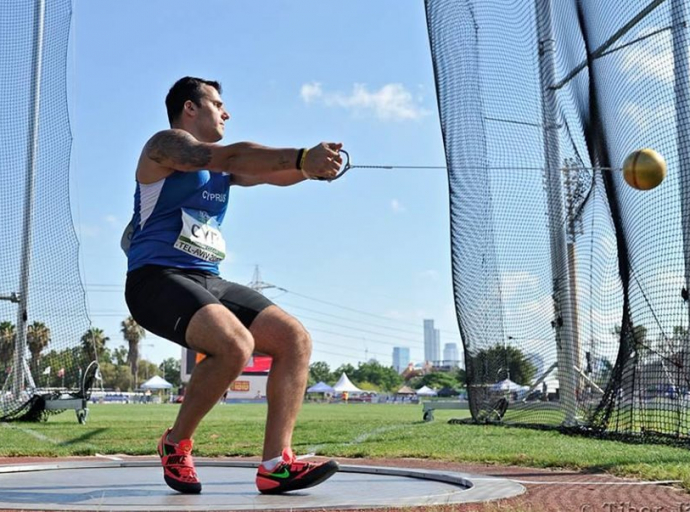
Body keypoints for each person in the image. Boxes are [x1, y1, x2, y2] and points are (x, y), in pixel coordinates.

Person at [123, 76, 342, 495]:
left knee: (295, 338)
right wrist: (300, 156)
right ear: (190, 108)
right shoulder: (164, 146)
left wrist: (308, 169)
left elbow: (269, 172)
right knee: (235, 344)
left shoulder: (222, 169)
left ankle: (277, 464)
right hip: (154, 278)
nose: (226, 112)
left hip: (208, 280)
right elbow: (234, 155)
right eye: (218, 104)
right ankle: (176, 443)